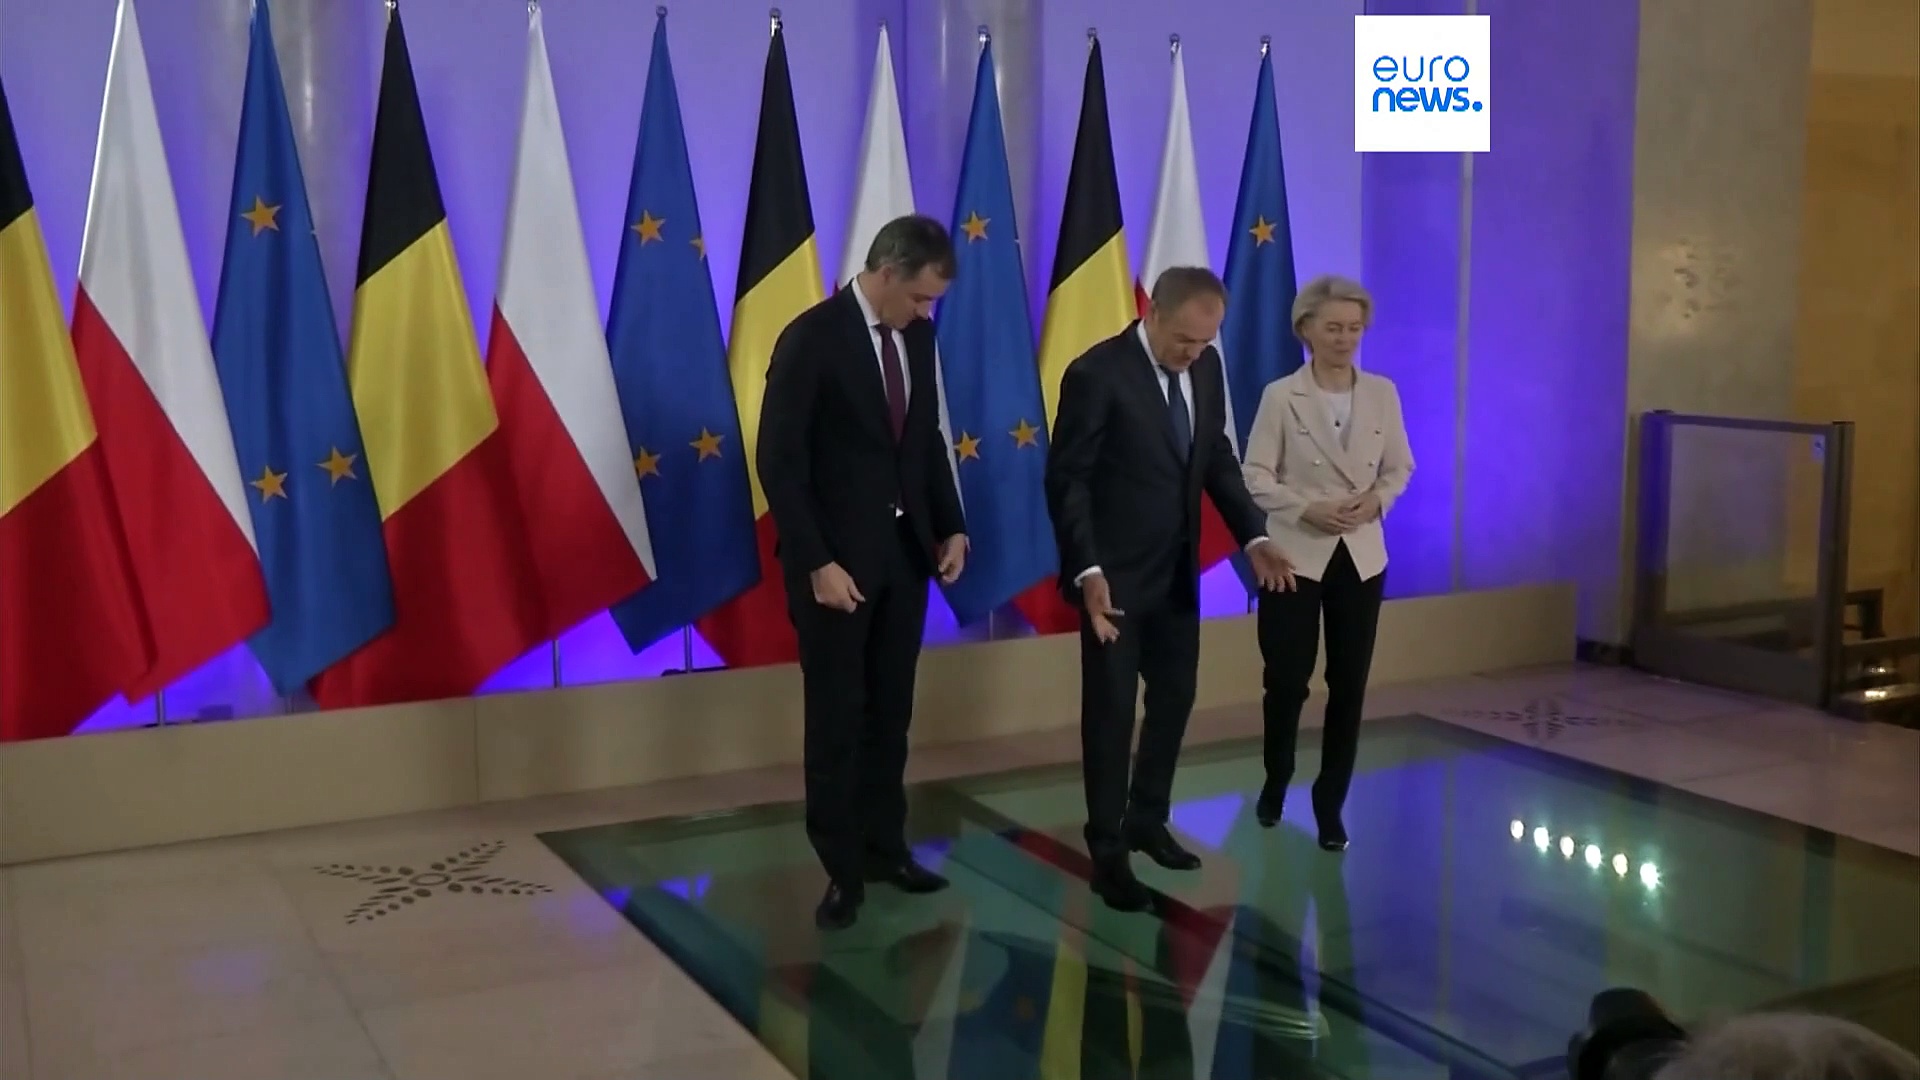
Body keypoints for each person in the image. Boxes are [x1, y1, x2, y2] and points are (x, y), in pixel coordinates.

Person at [1045, 266, 1296, 912]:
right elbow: (1068, 480)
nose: (1193, 352)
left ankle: (1147, 819)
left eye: (1205, 341)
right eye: (1184, 339)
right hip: (1113, 583)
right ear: (1153, 313)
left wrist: (1254, 537)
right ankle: (1106, 853)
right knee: (1110, 714)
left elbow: (1216, 459)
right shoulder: (1096, 373)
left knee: (1175, 699)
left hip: (1176, 576)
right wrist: (1087, 570)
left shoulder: (1206, 368)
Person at [756, 214, 969, 930]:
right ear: (885, 273)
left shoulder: (919, 336)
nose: (926, 312)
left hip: (904, 562)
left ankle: (886, 849)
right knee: (838, 720)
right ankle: (840, 870)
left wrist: (952, 526)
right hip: (834, 569)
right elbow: (779, 463)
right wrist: (816, 561)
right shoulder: (811, 338)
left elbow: (924, 442)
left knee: (890, 716)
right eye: (920, 297)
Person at [1240, 274, 1412, 851]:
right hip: (1294, 556)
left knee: (1349, 683)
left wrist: (1377, 500)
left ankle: (1330, 803)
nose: (1345, 339)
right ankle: (1276, 779)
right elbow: (1254, 475)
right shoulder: (1280, 396)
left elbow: (1400, 467)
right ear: (1306, 329)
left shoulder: (1383, 392)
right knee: (1287, 680)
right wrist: (1306, 508)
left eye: (1354, 328)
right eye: (1334, 327)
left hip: (1361, 558)